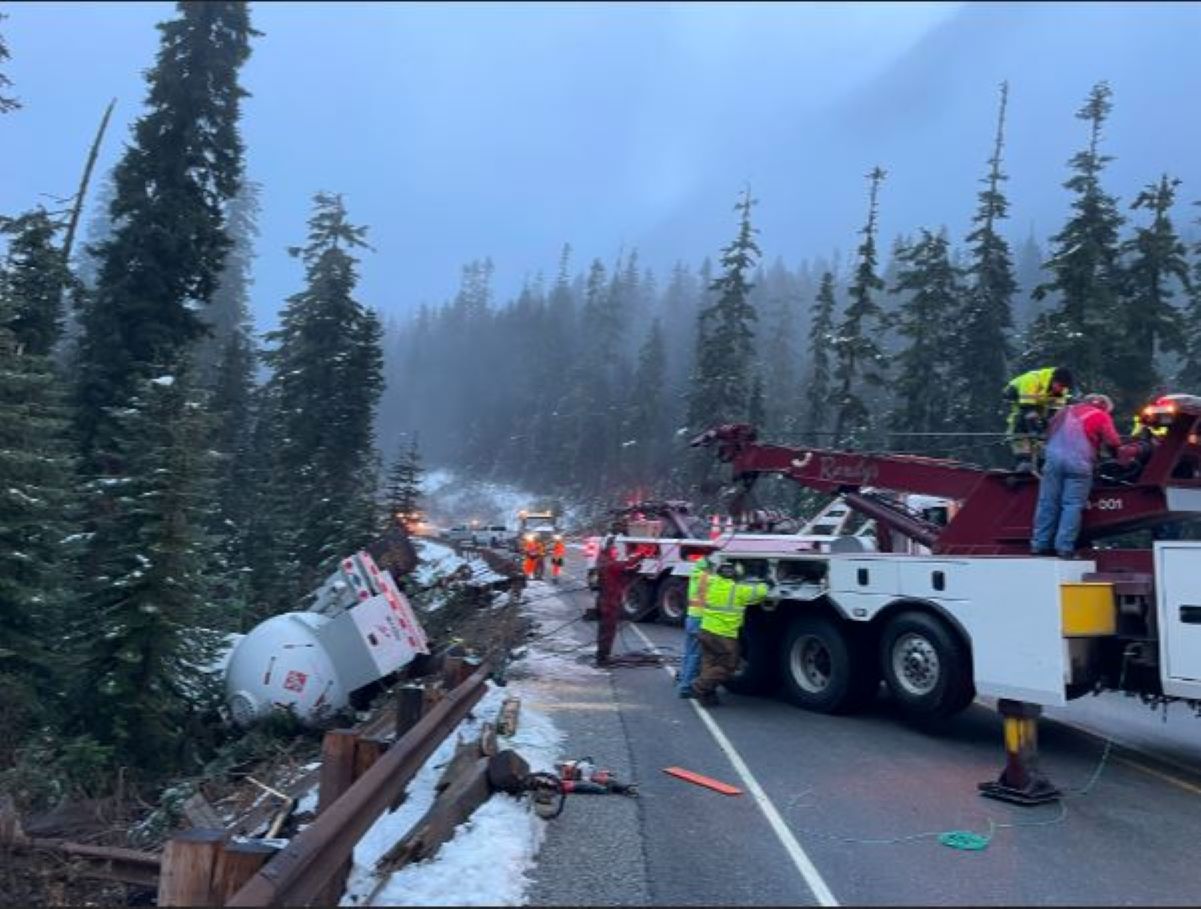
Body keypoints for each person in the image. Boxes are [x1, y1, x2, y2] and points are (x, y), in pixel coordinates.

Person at [1030, 393, 1125, 558]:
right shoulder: (1101, 416)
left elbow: (1047, 431)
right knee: (1072, 505)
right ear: (1104, 407)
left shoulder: (1064, 411)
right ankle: (1064, 547)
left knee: (1047, 502)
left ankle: (1040, 544)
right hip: (1079, 465)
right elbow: (1114, 442)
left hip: (1053, 461)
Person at [689, 554, 769, 707]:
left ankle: (706, 697)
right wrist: (767, 583)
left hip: (706, 631)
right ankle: (699, 685)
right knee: (729, 666)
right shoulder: (738, 590)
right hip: (724, 635)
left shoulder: (711, 584)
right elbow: (760, 593)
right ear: (736, 575)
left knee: (709, 662)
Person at [1004, 366, 1074, 471]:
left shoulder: (1060, 390)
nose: (1062, 389)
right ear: (1054, 380)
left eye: (1065, 387)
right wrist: (1034, 429)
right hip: (1017, 398)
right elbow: (1027, 409)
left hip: (1039, 403)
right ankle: (1023, 459)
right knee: (1021, 422)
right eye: (1061, 385)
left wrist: (1048, 429)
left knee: (1043, 430)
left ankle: (1040, 461)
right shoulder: (1032, 380)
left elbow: (1054, 414)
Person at [595, 538, 636, 667]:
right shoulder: (608, 563)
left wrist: (632, 569)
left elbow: (621, 573)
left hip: (608, 601)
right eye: (614, 549)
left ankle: (603, 655)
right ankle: (602, 658)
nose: (616, 551)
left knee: (607, 630)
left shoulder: (604, 561)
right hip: (608, 603)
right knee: (607, 630)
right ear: (608, 549)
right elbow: (620, 566)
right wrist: (638, 557)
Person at [676, 555, 710, 698]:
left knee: (689, 653)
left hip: (691, 617)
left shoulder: (696, 573)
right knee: (696, 655)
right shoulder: (707, 577)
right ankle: (686, 687)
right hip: (700, 619)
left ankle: (683, 679)